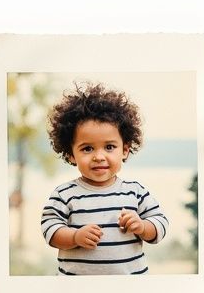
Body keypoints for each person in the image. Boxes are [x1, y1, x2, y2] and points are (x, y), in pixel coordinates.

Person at [39, 83, 168, 275]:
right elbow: (50, 229)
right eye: (87, 148)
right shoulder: (64, 194)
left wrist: (142, 226)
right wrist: (74, 236)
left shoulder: (136, 191)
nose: (99, 156)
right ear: (71, 154)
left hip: (130, 287)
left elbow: (160, 223)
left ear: (124, 150)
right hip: (77, 290)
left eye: (109, 147)